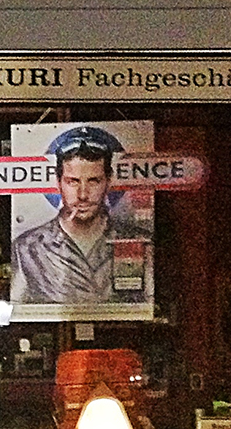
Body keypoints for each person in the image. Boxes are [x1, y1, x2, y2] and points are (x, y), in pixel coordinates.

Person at [10, 126, 152, 305]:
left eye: (94, 181)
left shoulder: (139, 242)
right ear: (58, 182)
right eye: (73, 182)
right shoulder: (27, 249)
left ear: (109, 182)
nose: (83, 194)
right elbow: (18, 308)